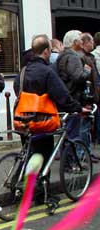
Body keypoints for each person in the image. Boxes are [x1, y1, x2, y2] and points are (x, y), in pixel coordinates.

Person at [14, 35, 87, 205]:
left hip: (22, 119)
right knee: (44, 156)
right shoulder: (47, 71)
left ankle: (29, 191)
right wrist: (78, 108)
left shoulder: (24, 71)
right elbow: (61, 95)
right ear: (46, 51)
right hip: (41, 121)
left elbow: (18, 88)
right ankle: (41, 194)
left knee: (30, 153)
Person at [56, 30, 92, 143]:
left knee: (68, 131)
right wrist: (86, 71)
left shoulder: (62, 55)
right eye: (80, 39)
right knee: (73, 133)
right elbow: (78, 77)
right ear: (74, 42)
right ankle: (72, 158)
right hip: (73, 97)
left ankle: (68, 156)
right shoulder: (73, 57)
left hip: (66, 96)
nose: (82, 42)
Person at [78, 33, 99, 162]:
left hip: (91, 95)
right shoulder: (82, 57)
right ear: (85, 43)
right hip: (85, 97)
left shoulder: (89, 57)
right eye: (91, 41)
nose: (93, 44)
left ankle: (88, 151)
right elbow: (84, 78)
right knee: (83, 127)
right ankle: (83, 153)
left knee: (87, 126)